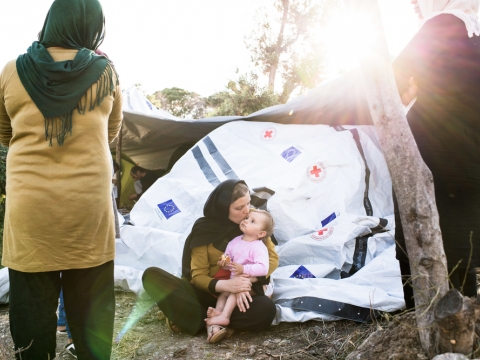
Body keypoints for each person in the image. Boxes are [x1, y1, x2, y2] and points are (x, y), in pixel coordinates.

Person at [0, 0, 123, 358]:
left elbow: (5, 133)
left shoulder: (10, 71)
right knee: (91, 308)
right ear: (91, 27)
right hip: (88, 208)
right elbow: (110, 132)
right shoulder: (107, 73)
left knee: (31, 307)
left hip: (30, 208)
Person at [392, 0, 480, 308]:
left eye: (418, 1)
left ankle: (424, 315)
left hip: (434, 149)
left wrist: (414, 85)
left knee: (419, 229)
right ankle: (464, 312)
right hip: (471, 153)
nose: (415, 6)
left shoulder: (442, 24)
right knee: (463, 236)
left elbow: (394, 84)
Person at [142, 180, 279, 344]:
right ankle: (215, 324)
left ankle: (197, 320)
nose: (246, 211)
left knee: (266, 310)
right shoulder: (204, 230)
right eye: (238, 208)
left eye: (248, 203)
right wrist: (228, 286)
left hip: (240, 294)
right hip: (208, 292)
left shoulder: (254, 221)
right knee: (151, 276)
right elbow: (198, 276)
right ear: (222, 208)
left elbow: (271, 259)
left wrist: (245, 281)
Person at [205, 209, 274, 334]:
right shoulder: (235, 242)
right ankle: (218, 312)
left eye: (252, 221)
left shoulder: (258, 247)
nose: (246, 221)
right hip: (234, 282)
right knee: (223, 294)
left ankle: (225, 316)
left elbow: (263, 268)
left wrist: (244, 269)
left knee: (234, 292)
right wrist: (224, 264)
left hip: (253, 283)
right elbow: (229, 262)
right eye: (247, 217)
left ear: (261, 233)